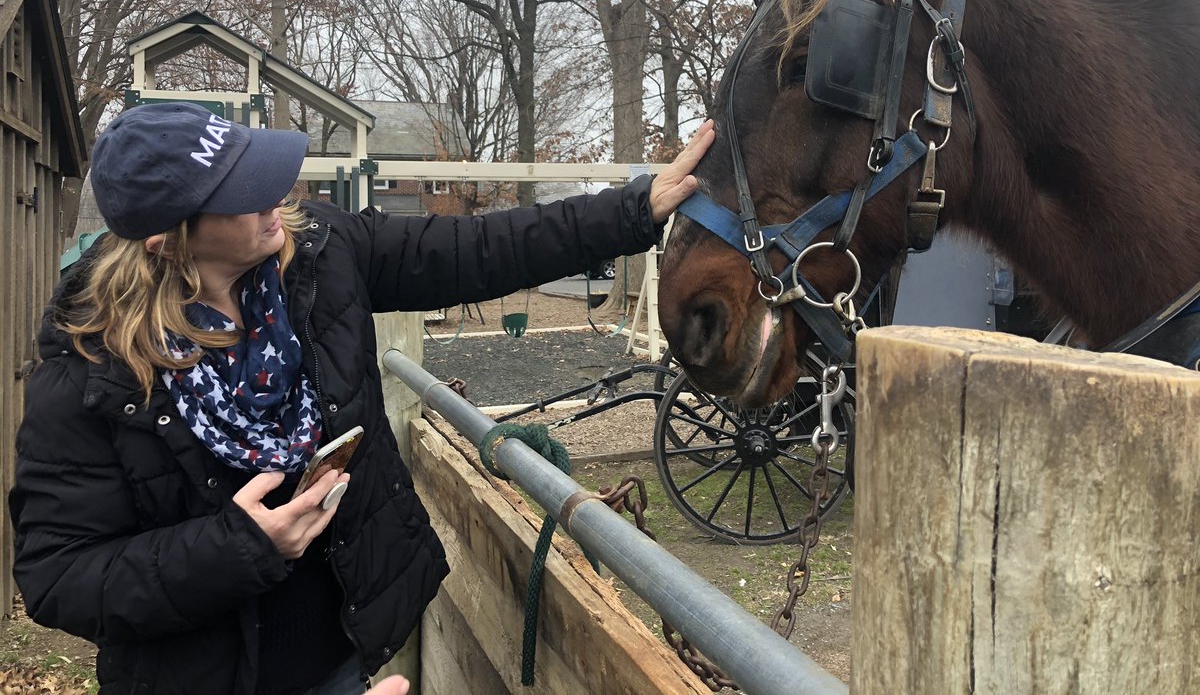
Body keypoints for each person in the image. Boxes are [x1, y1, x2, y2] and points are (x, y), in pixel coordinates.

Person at [7, 101, 714, 695]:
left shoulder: (320, 253)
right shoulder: (89, 378)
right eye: (239, 192)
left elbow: (479, 247)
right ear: (166, 241)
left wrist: (633, 210)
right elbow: (58, 576)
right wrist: (238, 546)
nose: (272, 198)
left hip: (343, 660)